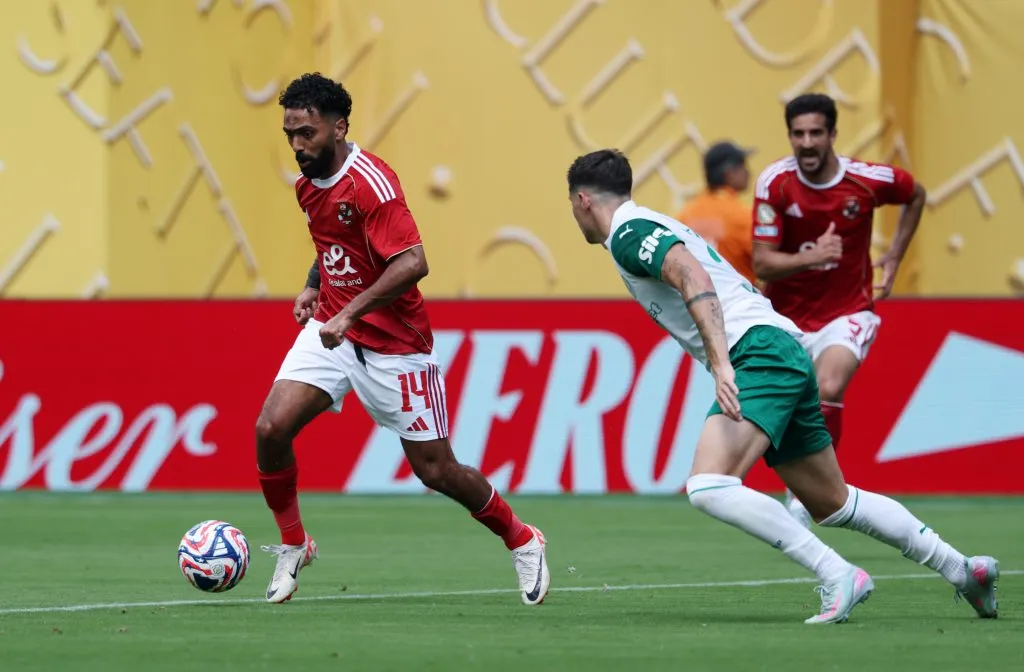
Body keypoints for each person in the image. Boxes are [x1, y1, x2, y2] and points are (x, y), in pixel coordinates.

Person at [565, 148, 998, 624]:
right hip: (781, 345)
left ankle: (837, 574)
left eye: (571, 207)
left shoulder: (628, 233)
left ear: (583, 200)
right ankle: (963, 569)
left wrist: (721, 361)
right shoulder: (648, 222)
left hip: (758, 351)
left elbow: (691, 275)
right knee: (834, 501)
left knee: (709, 484)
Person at [255, 73, 549, 606]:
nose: (298, 145)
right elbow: (334, 245)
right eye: (290, 134)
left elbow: (413, 262)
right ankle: (295, 544)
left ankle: (521, 538)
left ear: (339, 126)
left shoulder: (371, 183)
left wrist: (347, 313)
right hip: (333, 334)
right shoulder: (307, 185)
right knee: (271, 428)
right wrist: (312, 287)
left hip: (395, 347)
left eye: (307, 133)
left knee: (436, 470)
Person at [750, 93, 928, 528]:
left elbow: (916, 195)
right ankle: (797, 484)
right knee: (787, 402)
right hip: (786, 318)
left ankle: (809, 492)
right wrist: (812, 257)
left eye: (815, 133)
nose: (806, 143)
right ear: (789, 135)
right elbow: (761, 262)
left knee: (828, 385)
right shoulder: (775, 183)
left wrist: (896, 255)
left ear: (832, 135)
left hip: (847, 311)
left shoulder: (867, 180)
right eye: (798, 134)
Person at [676, 141, 757, 285]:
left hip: (697, 300)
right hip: (739, 300)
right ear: (729, 174)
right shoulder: (741, 215)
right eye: (743, 165)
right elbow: (766, 260)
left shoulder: (685, 213)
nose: (748, 171)